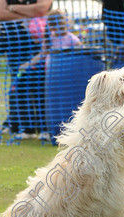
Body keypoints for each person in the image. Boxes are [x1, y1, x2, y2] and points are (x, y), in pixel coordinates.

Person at [0, 0, 53, 136]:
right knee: (19, 85)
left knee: (39, 85)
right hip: (14, 44)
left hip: (37, 45)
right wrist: (28, 9)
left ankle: (44, 128)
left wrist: (14, 8)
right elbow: (1, 13)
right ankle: (26, 128)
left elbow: (42, 9)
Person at [21, 10, 81, 139]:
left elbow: (80, 55)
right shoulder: (49, 40)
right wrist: (27, 64)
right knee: (50, 105)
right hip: (51, 79)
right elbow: (42, 55)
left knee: (67, 105)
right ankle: (47, 131)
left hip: (66, 79)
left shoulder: (72, 39)